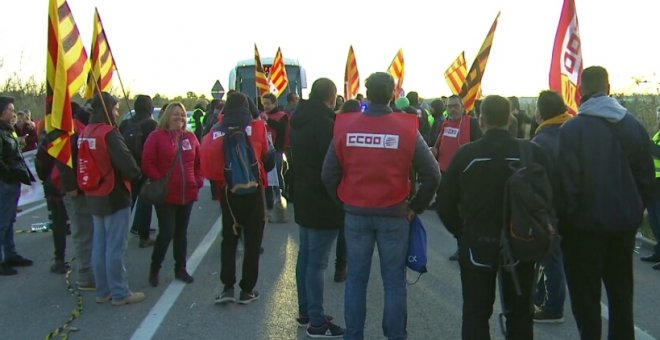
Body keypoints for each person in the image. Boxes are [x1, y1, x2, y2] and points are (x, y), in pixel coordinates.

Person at [322, 72, 440, 340]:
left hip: (356, 213)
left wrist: (342, 203)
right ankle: (395, 335)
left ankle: (354, 335)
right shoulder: (407, 128)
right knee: (394, 282)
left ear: (367, 92)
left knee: (356, 281)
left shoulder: (345, 126)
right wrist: (416, 207)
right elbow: (433, 174)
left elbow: (327, 174)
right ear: (392, 95)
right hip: (395, 213)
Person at [438, 95, 549, 339]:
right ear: (510, 118)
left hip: (477, 243)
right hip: (523, 243)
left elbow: (444, 203)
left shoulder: (467, 155)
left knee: (476, 314)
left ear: (481, 120)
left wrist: (462, 232)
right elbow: (550, 199)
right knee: (520, 314)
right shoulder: (532, 152)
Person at [557, 66, 654, 340]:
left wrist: (564, 224)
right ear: (608, 89)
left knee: (586, 303)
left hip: (582, 232)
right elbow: (647, 178)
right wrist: (635, 212)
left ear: (580, 93)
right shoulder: (633, 125)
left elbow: (566, 186)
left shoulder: (572, 130)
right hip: (623, 228)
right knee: (622, 298)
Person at [200, 92, 270, 305]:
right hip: (254, 192)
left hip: (228, 194)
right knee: (253, 242)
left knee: (229, 241)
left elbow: (209, 170)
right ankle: (247, 290)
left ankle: (227, 287)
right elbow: (269, 159)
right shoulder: (257, 128)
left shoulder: (214, 133)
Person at [291, 78, 345, 337]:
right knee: (317, 263)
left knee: (306, 257)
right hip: (322, 199)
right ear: (332, 97)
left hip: (303, 195)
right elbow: (332, 165)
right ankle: (316, 321)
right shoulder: (325, 124)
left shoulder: (299, 118)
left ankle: (306, 311)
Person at [80, 92, 144, 305]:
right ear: (107, 109)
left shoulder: (86, 131)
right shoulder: (109, 133)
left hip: (94, 193)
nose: (118, 113)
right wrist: (137, 172)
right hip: (114, 193)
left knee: (99, 245)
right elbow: (127, 164)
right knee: (116, 246)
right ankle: (120, 292)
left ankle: (103, 290)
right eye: (115, 109)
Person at [142, 102, 203, 287]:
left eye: (183, 115)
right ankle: (155, 268)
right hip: (166, 195)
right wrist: (160, 180)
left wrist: (198, 180)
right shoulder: (156, 137)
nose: (180, 118)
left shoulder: (190, 137)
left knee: (181, 233)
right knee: (166, 233)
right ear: (167, 116)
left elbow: (199, 162)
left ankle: (180, 268)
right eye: (176, 114)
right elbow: (148, 162)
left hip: (188, 193)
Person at [531, 90, 572, 323]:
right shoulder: (573, 132)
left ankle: (553, 307)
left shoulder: (541, 141)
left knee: (550, 258)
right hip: (573, 206)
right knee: (553, 257)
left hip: (550, 209)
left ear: (541, 111)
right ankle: (540, 295)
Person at [432, 95, 482, 260]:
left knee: (465, 214)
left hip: (466, 176)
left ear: (463, 107)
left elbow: (480, 146)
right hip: (446, 175)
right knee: (448, 210)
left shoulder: (471, 123)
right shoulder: (445, 124)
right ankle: (462, 243)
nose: (452, 109)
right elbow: (438, 145)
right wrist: (434, 151)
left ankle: (465, 248)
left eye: (455, 106)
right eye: (449, 106)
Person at [0, 95, 34, 276]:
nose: (13, 113)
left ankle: (10, 254)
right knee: (2, 221)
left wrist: (19, 143)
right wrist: (9, 175)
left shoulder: (8, 130)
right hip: (5, 181)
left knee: (9, 219)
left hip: (12, 181)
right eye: (10, 110)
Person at [120, 95, 157, 247]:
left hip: (127, 168)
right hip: (144, 169)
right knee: (146, 202)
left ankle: (119, 234)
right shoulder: (151, 124)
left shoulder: (125, 123)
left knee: (126, 204)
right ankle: (144, 236)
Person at [261, 93, 289, 223]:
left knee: (276, 176)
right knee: (266, 179)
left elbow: (282, 129)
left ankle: (280, 201)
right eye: (263, 104)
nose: (265, 106)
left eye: (267, 103)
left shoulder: (282, 116)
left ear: (274, 103)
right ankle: (268, 205)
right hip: (265, 151)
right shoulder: (262, 116)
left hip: (276, 150)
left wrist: (268, 120)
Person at [643, 105, 660, 269]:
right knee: (653, 220)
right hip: (654, 184)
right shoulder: (657, 134)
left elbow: (657, 151)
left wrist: (648, 145)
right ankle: (658, 251)